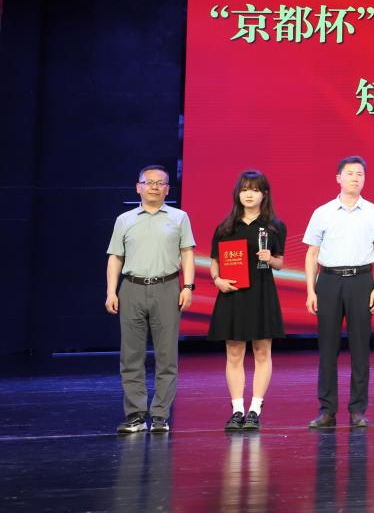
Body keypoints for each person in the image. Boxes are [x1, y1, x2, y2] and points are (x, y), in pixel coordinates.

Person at [105, 164, 196, 434]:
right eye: (149, 182)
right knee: (131, 355)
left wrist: (188, 286)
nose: (154, 187)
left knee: (167, 356)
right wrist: (111, 291)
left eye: (160, 183)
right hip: (132, 288)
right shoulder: (125, 219)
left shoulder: (179, 217)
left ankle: (160, 416)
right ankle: (135, 415)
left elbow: (187, 253)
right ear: (138, 187)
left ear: (167, 189)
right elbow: (115, 257)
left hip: (167, 287)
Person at [303, 155, 374, 429]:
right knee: (327, 348)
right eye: (350, 173)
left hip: (361, 281)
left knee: (360, 349)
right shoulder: (323, 212)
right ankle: (327, 410)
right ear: (338, 178)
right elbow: (312, 253)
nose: (355, 178)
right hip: (329, 281)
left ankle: (357, 410)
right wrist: (311, 291)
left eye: (360, 174)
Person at [207, 170, 287, 431]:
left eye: (254, 189)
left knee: (262, 351)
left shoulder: (274, 226)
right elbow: (215, 261)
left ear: (264, 194)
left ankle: (255, 408)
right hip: (233, 294)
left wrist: (269, 259)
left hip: (262, 293)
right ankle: (237, 409)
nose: (249, 194)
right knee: (234, 352)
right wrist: (217, 279)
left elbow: (280, 263)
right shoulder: (226, 227)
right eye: (244, 189)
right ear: (237, 194)